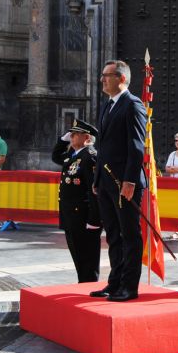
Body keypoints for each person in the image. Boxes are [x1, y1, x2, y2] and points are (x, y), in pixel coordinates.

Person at [90, 59, 147, 302]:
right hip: (106, 182)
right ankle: (114, 282)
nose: (102, 79)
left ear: (121, 78)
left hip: (124, 182)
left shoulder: (133, 106)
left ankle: (129, 286)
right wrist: (97, 178)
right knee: (113, 234)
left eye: (107, 75)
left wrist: (130, 181)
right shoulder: (107, 106)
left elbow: (136, 147)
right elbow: (103, 147)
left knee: (129, 235)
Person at [52, 119, 102, 283]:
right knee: (78, 254)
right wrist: (62, 140)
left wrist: (94, 220)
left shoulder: (89, 157)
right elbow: (55, 156)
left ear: (86, 137)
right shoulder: (73, 156)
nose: (72, 137)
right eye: (71, 134)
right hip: (70, 215)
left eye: (75, 135)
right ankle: (83, 281)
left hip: (83, 215)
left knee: (87, 255)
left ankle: (88, 283)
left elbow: (94, 190)